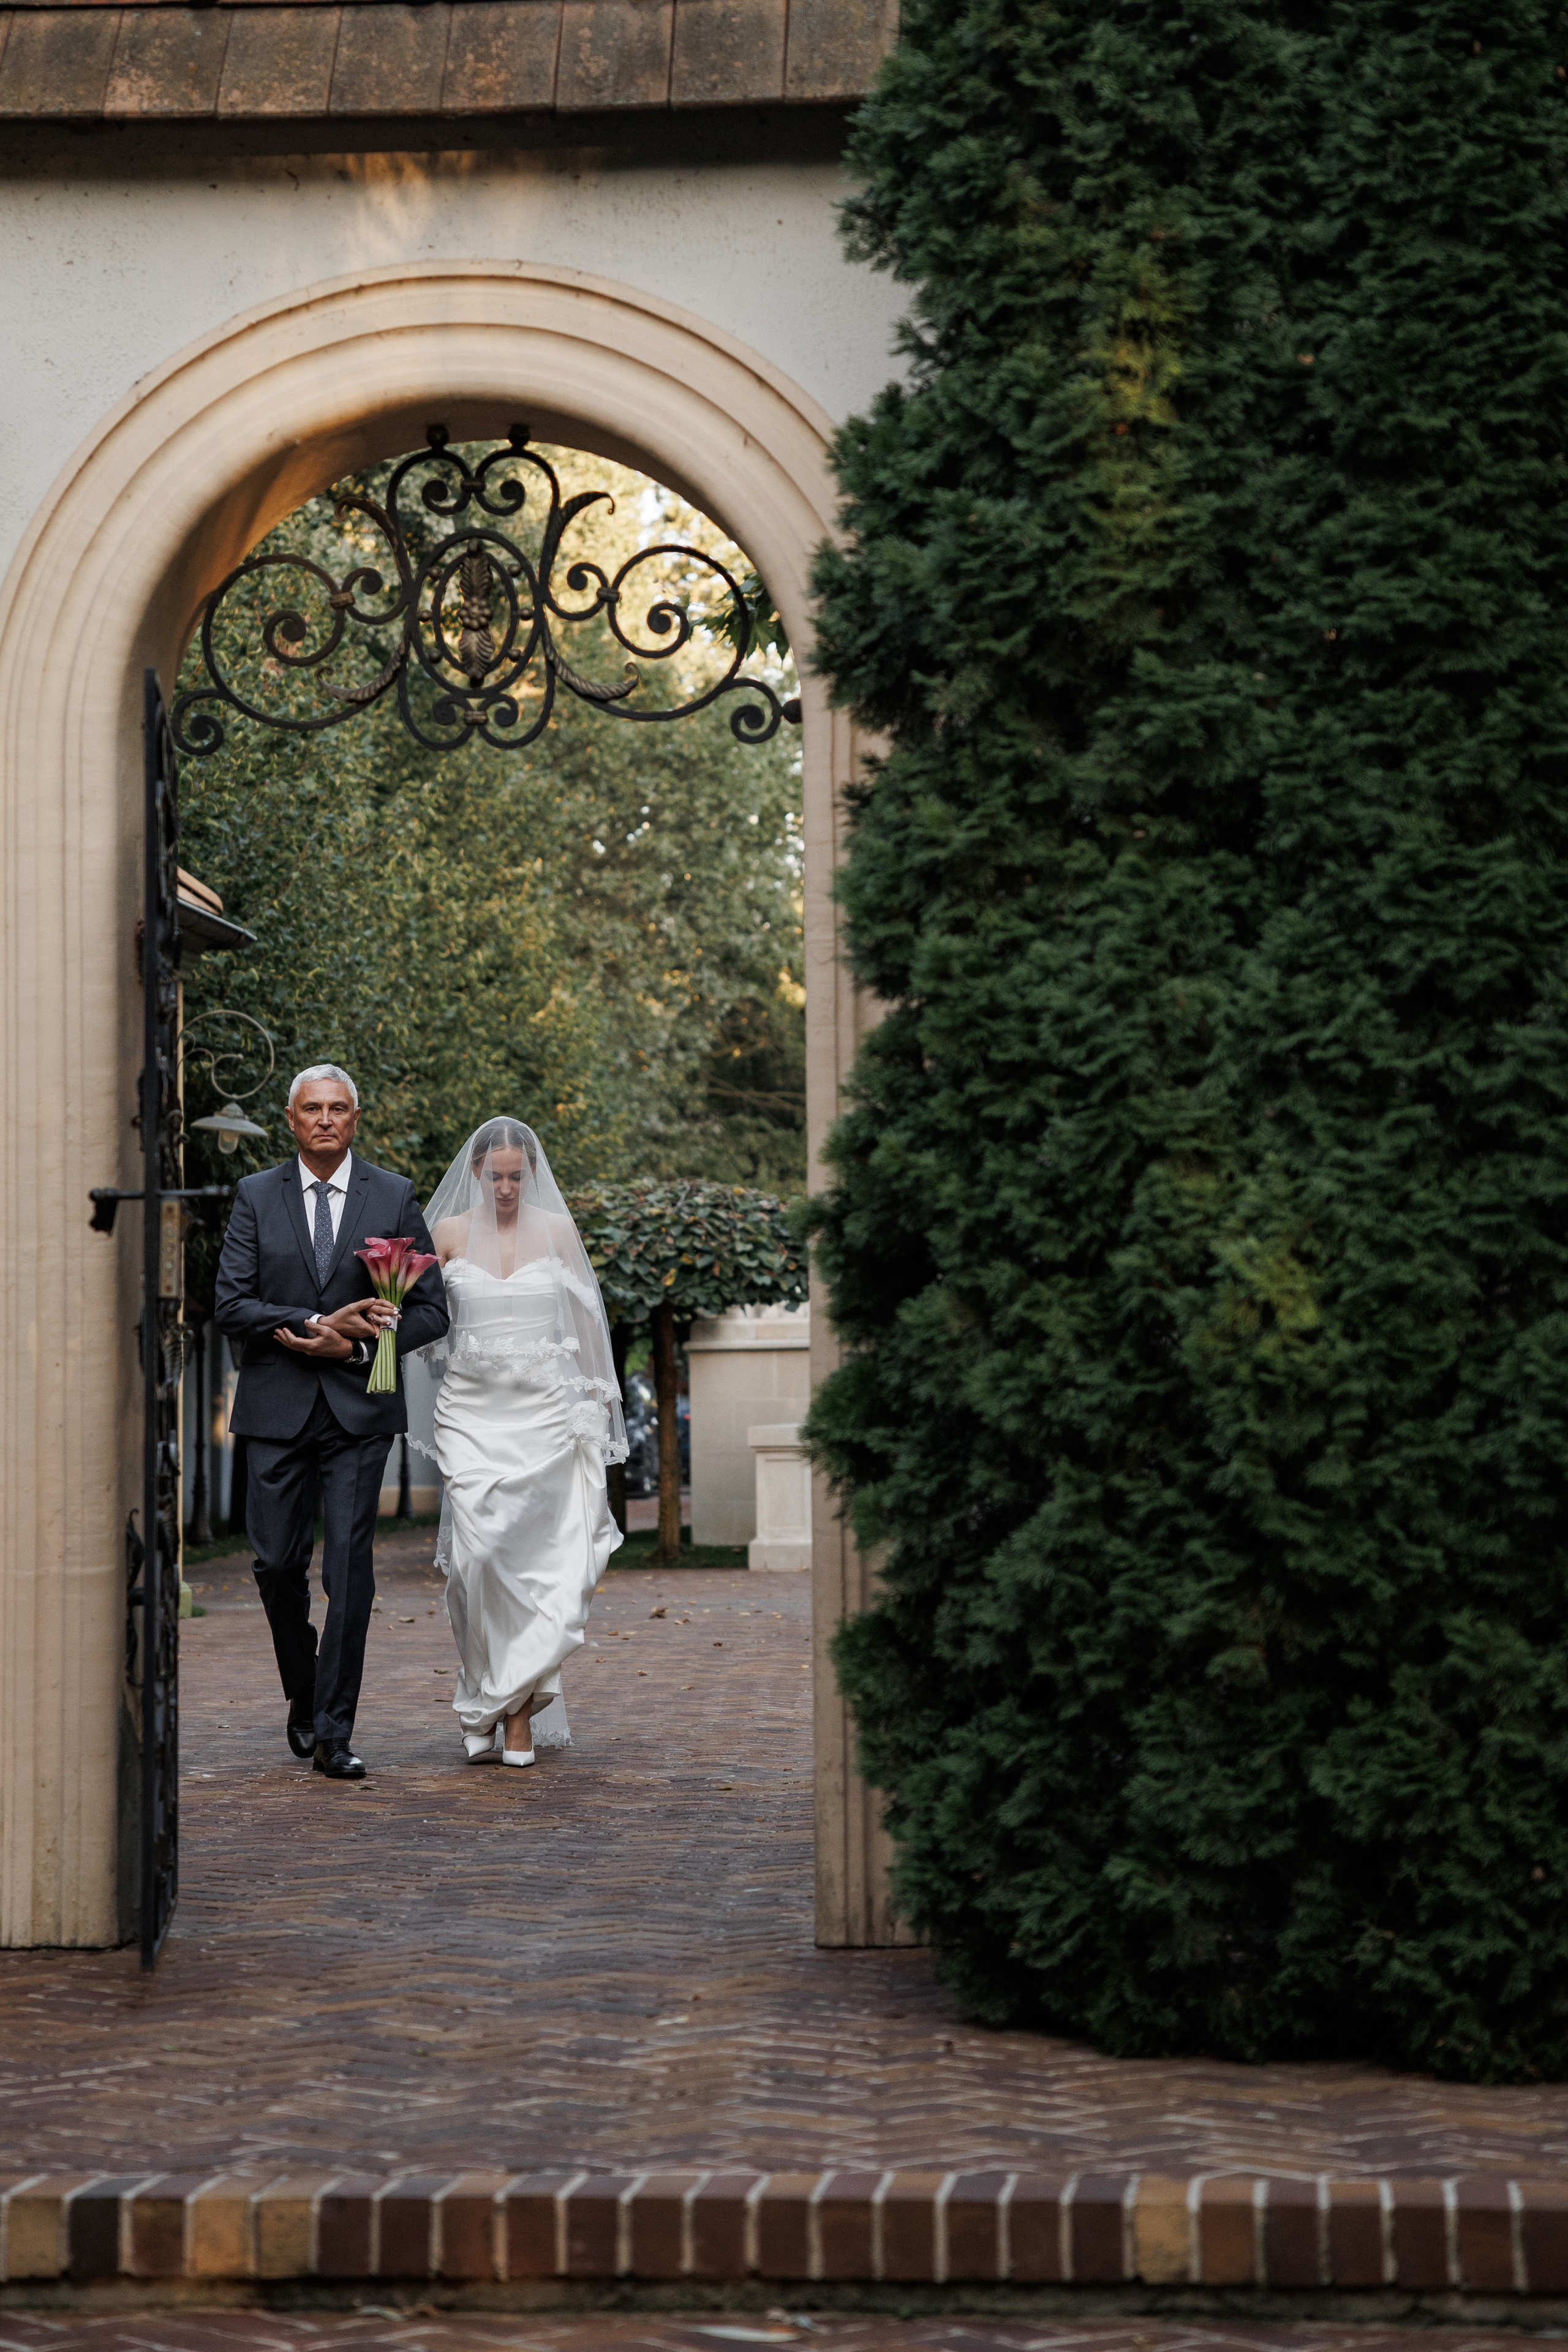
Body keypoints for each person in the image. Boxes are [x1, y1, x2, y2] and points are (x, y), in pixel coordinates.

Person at [214, 1064, 450, 1780]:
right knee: (276, 1565)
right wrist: (315, 1321)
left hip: (359, 1408)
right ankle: (305, 1688)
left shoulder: (395, 1195)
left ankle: (333, 1733)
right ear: (291, 1119)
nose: (324, 1119)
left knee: (349, 1574)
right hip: (275, 1406)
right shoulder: (255, 1196)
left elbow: (434, 1312)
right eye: (311, 1108)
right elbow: (231, 1304)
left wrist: (359, 1343)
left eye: (337, 1108)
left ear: (356, 1117)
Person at [412, 1118, 626, 1766]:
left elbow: (588, 1327)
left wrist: (594, 1407)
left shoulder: (558, 1232)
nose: (505, 1188)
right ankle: (485, 1690)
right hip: (470, 1415)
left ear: (531, 1174)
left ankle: (514, 1720)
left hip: (546, 1416)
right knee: (476, 1566)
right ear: (475, 1172)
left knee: (542, 1568)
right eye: (494, 1176)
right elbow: (422, 1319)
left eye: (516, 1177)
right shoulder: (444, 1235)